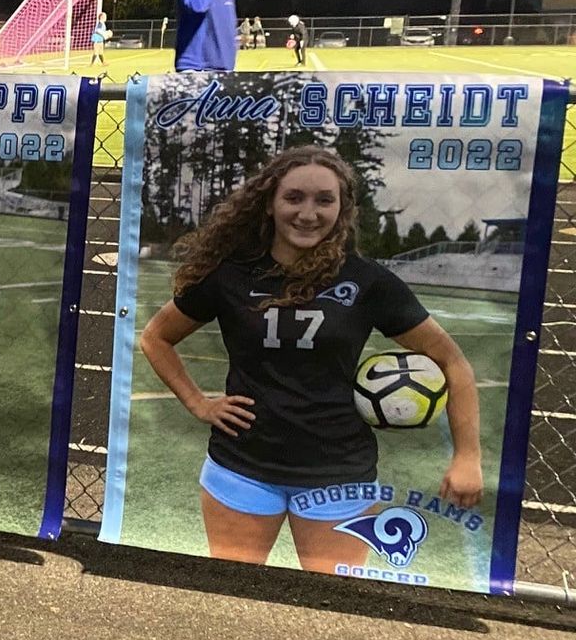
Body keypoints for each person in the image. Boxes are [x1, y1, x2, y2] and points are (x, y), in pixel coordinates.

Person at [137, 146, 482, 573]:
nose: (308, 213)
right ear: (269, 203)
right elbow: (156, 337)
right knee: (231, 595)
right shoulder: (230, 274)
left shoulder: (366, 281)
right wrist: (198, 403)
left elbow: (452, 362)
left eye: (324, 200)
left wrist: (467, 457)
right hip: (242, 467)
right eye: (294, 197)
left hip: (340, 474)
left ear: (342, 209)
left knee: (333, 602)